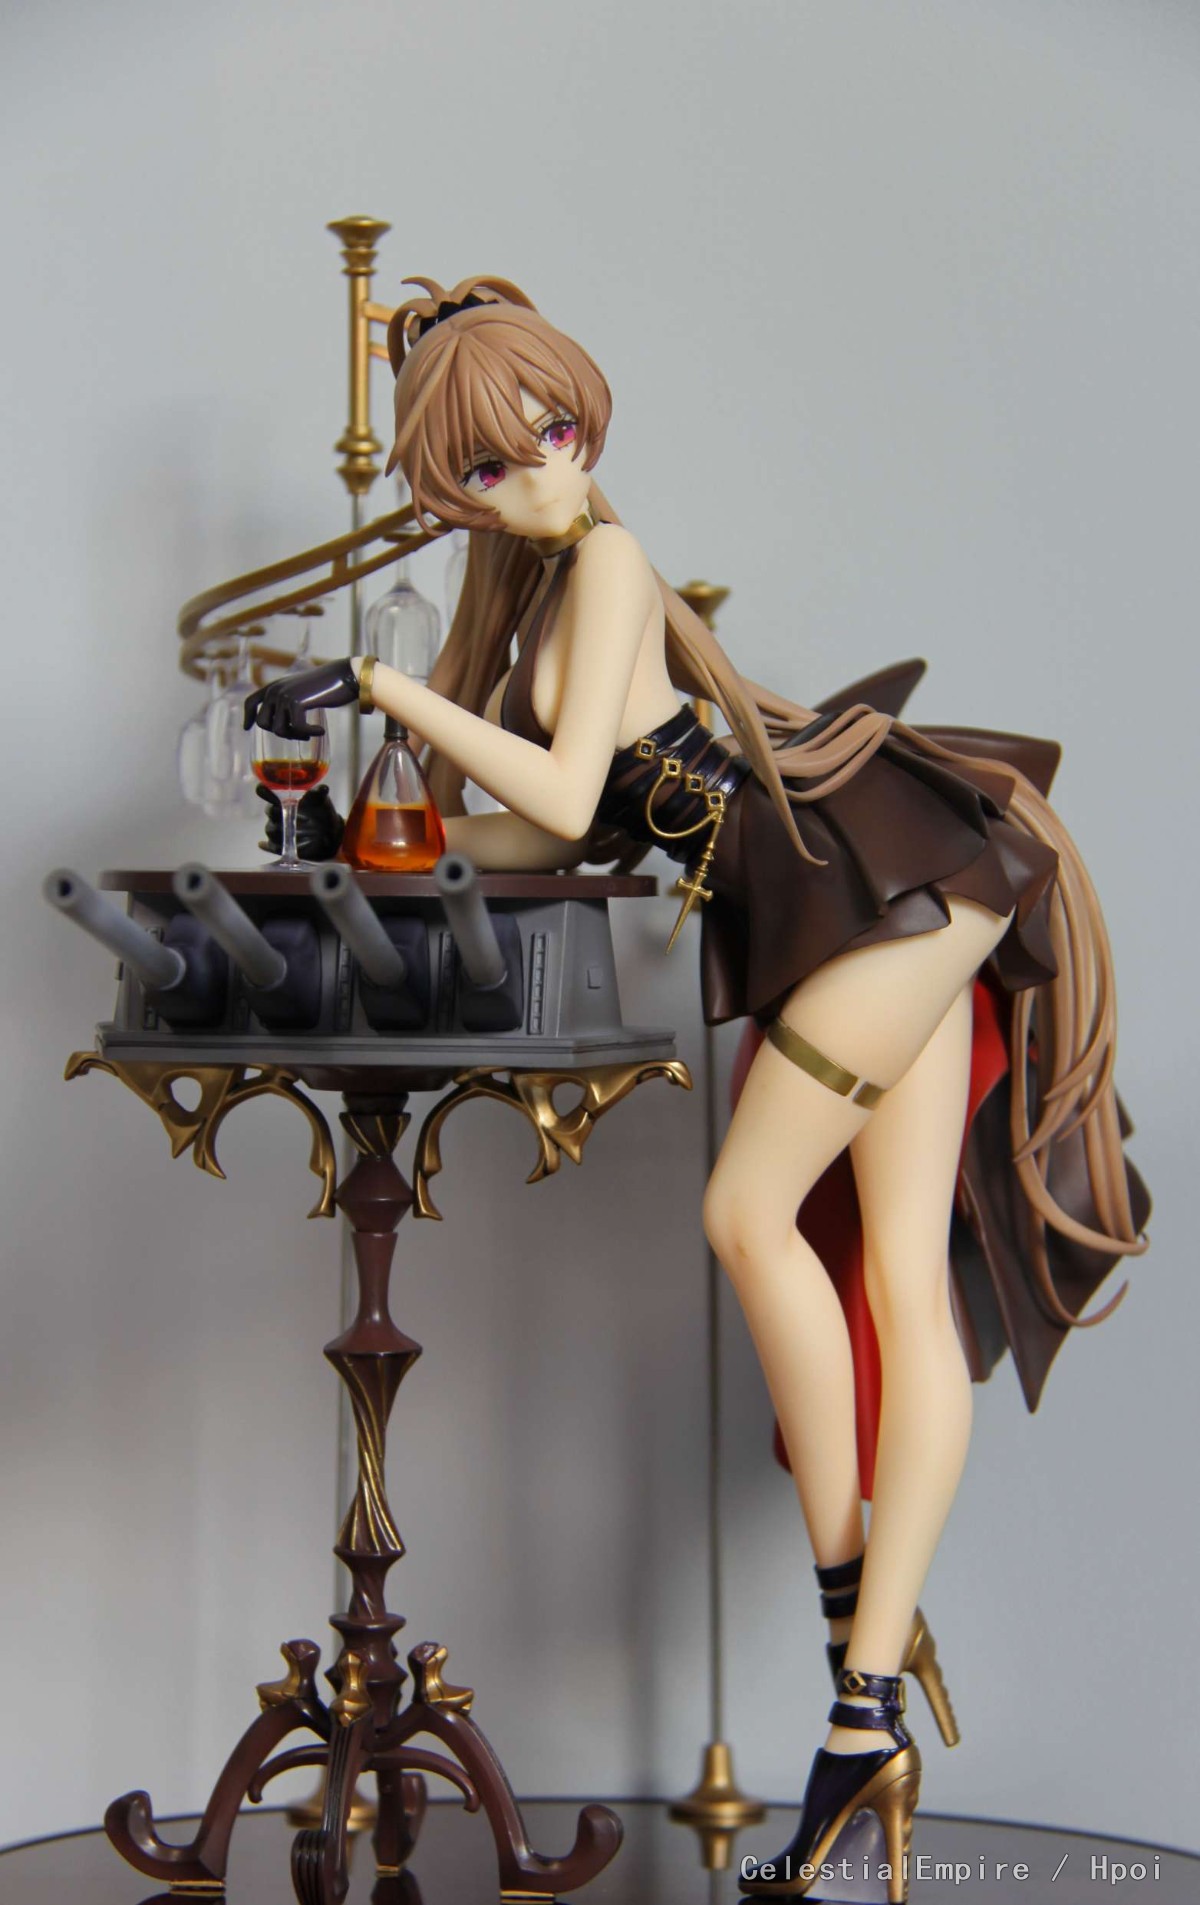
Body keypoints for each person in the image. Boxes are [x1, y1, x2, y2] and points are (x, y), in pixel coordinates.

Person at [247, 277, 1147, 1901]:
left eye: (553, 430)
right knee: (888, 1275)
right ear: (458, 496)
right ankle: (868, 1706)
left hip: (876, 885)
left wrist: (385, 695)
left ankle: (863, 1658)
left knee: (754, 1215)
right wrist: (391, 834)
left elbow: (563, 780)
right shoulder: (540, 603)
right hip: (840, 914)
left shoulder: (606, 562)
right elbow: (549, 825)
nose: (544, 470)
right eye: (493, 465)